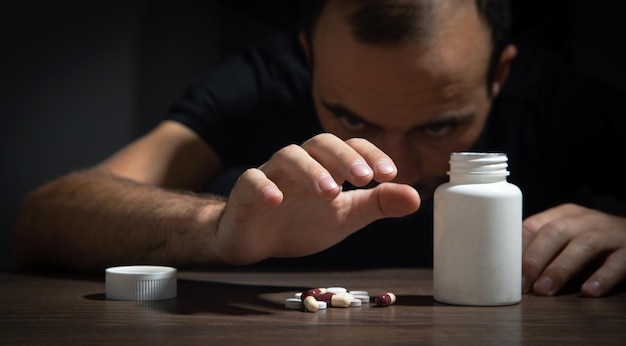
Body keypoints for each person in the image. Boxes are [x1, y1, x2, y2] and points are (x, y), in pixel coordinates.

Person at [12, 0, 626, 298]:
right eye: (350, 117)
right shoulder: (266, 79)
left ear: (500, 76)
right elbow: (48, 214)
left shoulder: (555, 97)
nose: (397, 173)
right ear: (308, 59)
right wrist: (215, 226)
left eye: (440, 126)